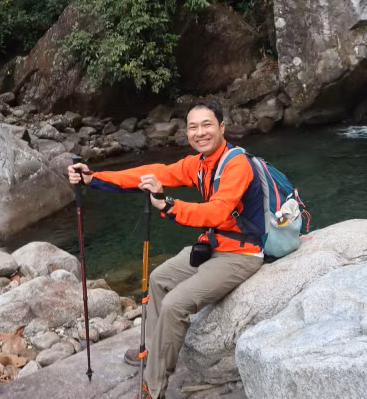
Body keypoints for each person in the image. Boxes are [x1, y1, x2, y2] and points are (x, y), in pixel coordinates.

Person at [68, 100, 264, 399]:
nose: (200, 132)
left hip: (241, 254)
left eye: (207, 125)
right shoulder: (198, 164)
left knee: (175, 304)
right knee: (159, 279)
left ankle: (154, 387)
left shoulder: (237, 164)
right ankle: (151, 348)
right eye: (193, 127)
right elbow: (152, 172)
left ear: (222, 127)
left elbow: (217, 213)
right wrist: (94, 179)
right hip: (215, 244)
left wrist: (169, 205)